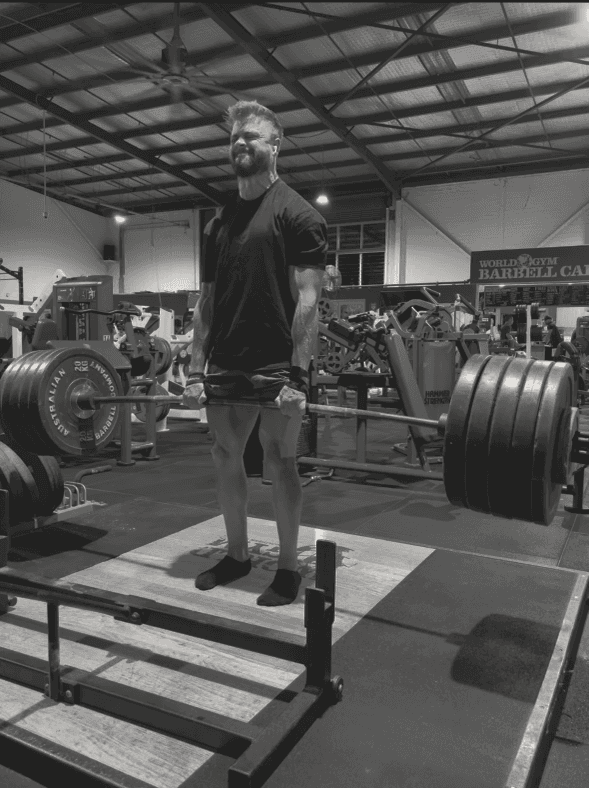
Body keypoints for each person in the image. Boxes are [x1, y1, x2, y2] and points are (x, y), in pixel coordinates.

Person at [182, 100, 327, 607]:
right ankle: (238, 554)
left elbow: (308, 301)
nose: (241, 144)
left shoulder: (298, 214)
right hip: (225, 361)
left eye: (253, 137)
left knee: (280, 461)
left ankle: (288, 568)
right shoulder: (217, 223)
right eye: (235, 138)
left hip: (275, 365)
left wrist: (298, 377)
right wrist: (196, 367)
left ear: (276, 145)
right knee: (225, 457)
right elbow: (206, 302)